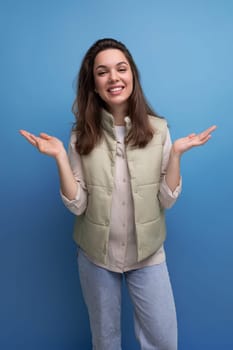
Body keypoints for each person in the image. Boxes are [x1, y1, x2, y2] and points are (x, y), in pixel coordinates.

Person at [20, 38, 216, 350]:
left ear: (132, 76)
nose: (114, 77)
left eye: (121, 69)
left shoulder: (159, 130)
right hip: (96, 256)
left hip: (149, 253)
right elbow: (78, 205)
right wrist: (59, 156)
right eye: (103, 72)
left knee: (163, 341)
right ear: (93, 84)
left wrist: (176, 154)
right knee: (105, 340)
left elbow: (167, 200)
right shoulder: (80, 136)